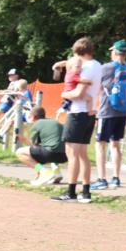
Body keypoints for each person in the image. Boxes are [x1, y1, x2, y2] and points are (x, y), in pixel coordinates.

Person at [52, 37, 101, 203]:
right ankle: (86, 192)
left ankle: (71, 191)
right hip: (89, 113)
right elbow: (71, 62)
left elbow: (78, 93)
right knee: (82, 155)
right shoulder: (97, 65)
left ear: (80, 53)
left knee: (72, 154)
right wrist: (61, 64)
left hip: (77, 113)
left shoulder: (85, 68)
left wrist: (64, 94)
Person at [92, 40, 126, 190]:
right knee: (116, 144)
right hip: (122, 112)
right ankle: (116, 178)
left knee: (100, 145)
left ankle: (101, 178)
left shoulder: (106, 68)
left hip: (106, 112)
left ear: (115, 52)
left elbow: (95, 85)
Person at [16, 106, 67, 185]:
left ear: (33, 117)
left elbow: (33, 146)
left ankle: (44, 172)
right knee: (51, 146)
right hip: (65, 156)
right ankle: (57, 173)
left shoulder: (37, 124)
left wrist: (23, 139)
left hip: (51, 153)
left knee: (20, 152)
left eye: (29, 117)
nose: (29, 119)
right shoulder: (55, 122)